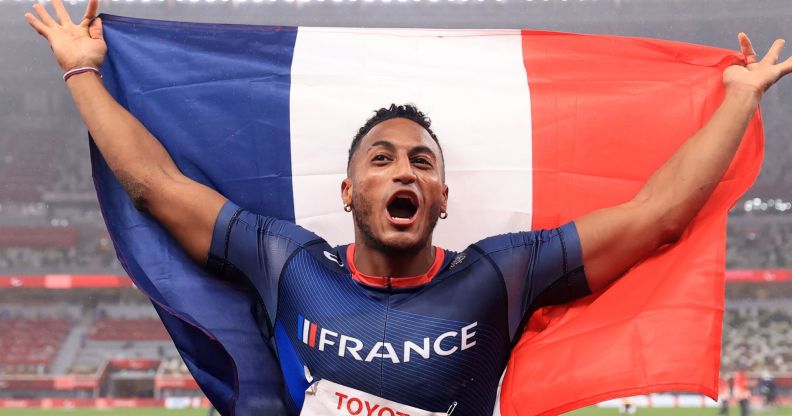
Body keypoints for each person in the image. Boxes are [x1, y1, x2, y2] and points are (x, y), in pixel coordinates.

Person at [24, 0, 792, 414]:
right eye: (382, 159)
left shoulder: (502, 273)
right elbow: (156, 186)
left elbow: (658, 214)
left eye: (422, 161)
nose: (405, 171)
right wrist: (82, 75)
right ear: (348, 191)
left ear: (442, 196)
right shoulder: (285, 260)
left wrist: (736, 98)